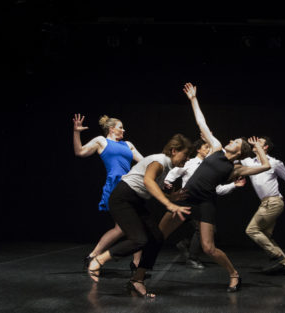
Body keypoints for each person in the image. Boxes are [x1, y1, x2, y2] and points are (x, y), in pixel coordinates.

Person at [125, 82, 272, 295]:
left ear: (240, 151)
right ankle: (137, 279)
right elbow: (201, 122)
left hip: (205, 204)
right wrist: (193, 99)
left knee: (208, 248)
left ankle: (233, 274)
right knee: (157, 237)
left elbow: (266, 165)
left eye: (236, 141)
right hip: (185, 197)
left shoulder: (237, 169)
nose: (231, 140)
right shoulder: (216, 148)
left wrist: (258, 147)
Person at [87, 134, 192, 298]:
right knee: (139, 240)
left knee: (156, 237)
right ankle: (98, 260)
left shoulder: (167, 166)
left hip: (136, 201)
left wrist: (173, 197)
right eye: (185, 154)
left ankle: (138, 279)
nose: (187, 158)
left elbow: (152, 186)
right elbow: (148, 182)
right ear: (174, 151)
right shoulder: (159, 161)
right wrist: (169, 204)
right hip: (122, 199)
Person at [73, 114, 144, 270]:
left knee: (132, 227)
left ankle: (136, 263)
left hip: (130, 186)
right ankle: (95, 256)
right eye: (120, 127)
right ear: (111, 129)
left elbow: (143, 161)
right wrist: (76, 132)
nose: (124, 130)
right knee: (126, 228)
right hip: (115, 187)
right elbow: (80, 152)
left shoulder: (128, 144)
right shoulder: (101, 141)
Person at [164, 139, 246, 269]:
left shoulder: (213, 165)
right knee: (164, 230)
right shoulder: (189, 162)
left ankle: (186, 246)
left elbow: (217, 190)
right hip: (187, 201)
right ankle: (191, 256)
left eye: (209, 147)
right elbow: (172, 174)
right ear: (198, 149)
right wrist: (169, 187)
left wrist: (234, 185)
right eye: (206, 147)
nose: (209, 149)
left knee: (209, 232)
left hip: (201, 203)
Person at [241, 136, 285, 275]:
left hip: (273, 202)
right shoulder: (249, 161)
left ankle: (277, 256)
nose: (255, 143)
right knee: (266, 235)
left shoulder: (274, 163)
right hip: (265, 203)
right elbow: (237, 154)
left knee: (251, 230)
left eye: (259, 142)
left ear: (266, 147)